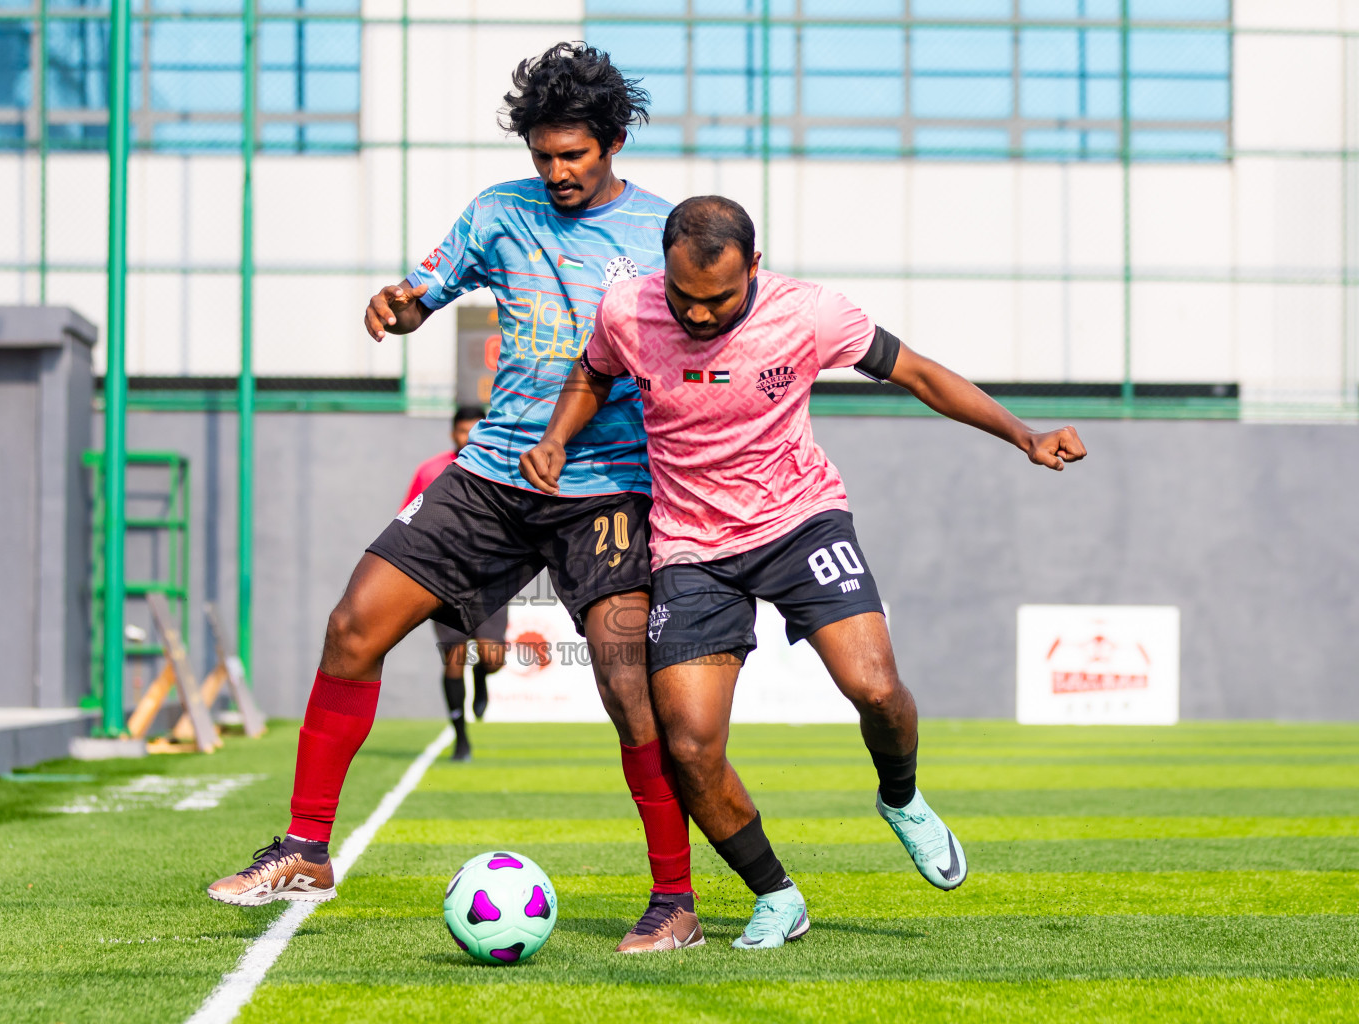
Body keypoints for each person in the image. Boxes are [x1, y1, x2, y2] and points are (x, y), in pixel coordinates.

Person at [208, 43, 705, 955]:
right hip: (492, 475)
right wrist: (397, 307)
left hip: (611, 489)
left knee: (628, 685)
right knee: (354, 626)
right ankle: (307, 849)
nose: (556, 173)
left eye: (574, 156)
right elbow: (421, 295)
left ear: (615, 141)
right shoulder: (497, 213)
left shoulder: (668, 232)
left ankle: (674, 900)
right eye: (543, 156)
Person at [521, 196, 1087, 950]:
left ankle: (902, 797)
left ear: (754, 267)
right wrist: (558, 437)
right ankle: (776, 895)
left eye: (718, 300)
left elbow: (915, 372)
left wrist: (1023, 434)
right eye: (685, 299)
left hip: (799, 521)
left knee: (878, 690)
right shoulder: (627, 310)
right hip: (691, 546)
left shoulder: (811, 313)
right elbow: (592, 373)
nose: (696, 317)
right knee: (688, 745)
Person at [403, 405, 507, 761]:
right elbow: (409, 518)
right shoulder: (432, 470)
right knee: (453, 659)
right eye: (463, 430)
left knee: (494, 657)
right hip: (443, 579)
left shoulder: (504, 466)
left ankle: (482, 678)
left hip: (489, 578)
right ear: (454, 433)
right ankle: (461, 739)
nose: (468, 437)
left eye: (476, 429)